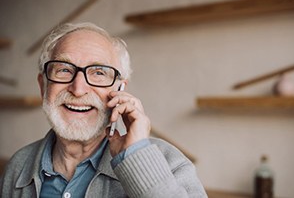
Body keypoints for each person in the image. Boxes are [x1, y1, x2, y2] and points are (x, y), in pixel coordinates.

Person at [0, 22, 207, 198]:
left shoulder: (170, 163)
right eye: (64, 69)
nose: (78, 89)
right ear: (43, 86)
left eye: (98, 72)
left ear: (120, 89)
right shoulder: (19, 165)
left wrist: (137, 159)